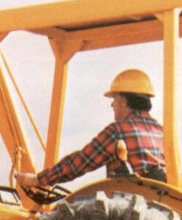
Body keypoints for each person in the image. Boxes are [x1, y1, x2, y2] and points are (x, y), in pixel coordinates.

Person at [15, 69, 167, 190]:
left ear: (124, 101)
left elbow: (80, 162)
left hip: (133, 202)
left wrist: (37, 179)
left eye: (114, 99)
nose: (112, 105)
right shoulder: (162, 132)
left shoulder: (118, 131)